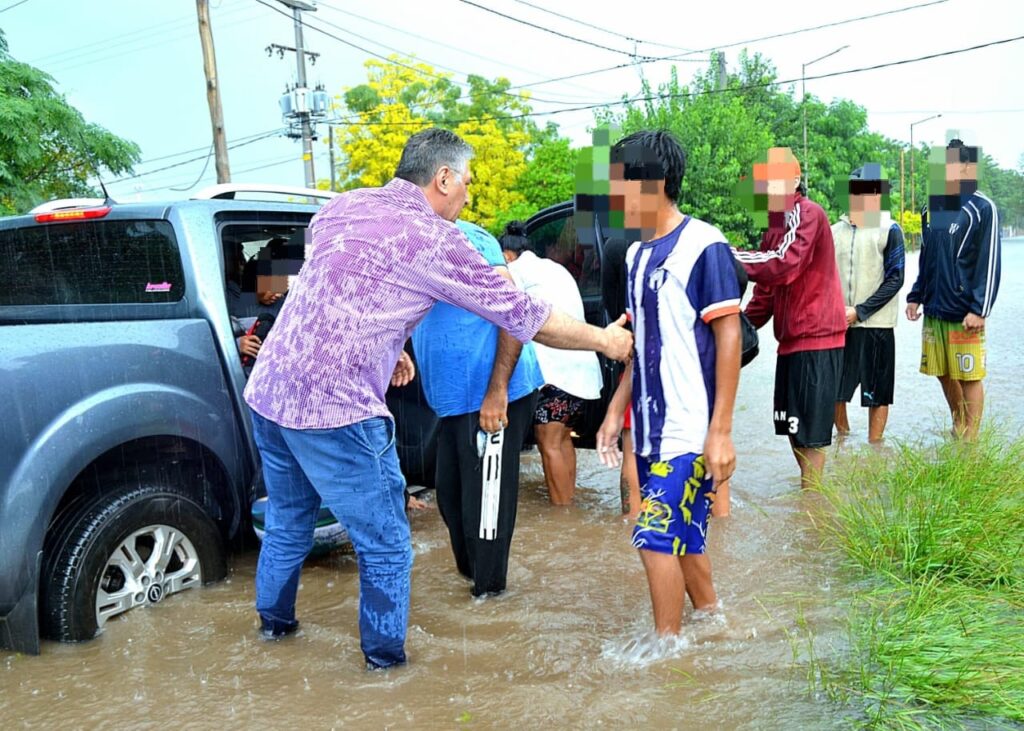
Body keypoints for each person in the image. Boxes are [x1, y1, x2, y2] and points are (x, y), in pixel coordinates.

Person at [242, 128, 632, 669]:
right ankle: (386, 673)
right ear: (443, 177)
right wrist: (606, 340)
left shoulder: (341, 208)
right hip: (336, 407)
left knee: (287, 520)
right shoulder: (433, 238)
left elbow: (343, 283)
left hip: (269, 390)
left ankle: (273, 636)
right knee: (386, 547)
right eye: (466, 182)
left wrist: (390, 345)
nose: (469, 195)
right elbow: (523, 315)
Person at [596, 130, 741, 635]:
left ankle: (666, 653)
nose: (614, 198)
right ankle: (715, 624)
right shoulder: (636, 258)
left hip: (690, 429)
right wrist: (617, 411)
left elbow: (729, 337)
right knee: (687, 538)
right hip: (650, 429)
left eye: (620, 185)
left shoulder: (705, 245)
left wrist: (720, 431)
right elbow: (641, 344)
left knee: (653, 533)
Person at [410, 219, 544, 598]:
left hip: (493, 394)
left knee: (485, 506)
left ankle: (489, 598)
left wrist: (497, 391)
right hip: (454, 402)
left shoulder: (470, 239)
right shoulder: (412, 238)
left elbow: (515, 312)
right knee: (451, 499)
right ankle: (474, 580)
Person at [733, 147, 846, 491]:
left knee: (810, 435)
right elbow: (765, 295)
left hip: (817, 339)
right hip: (790, 343)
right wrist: (733, 331)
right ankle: (810, 494)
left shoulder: (807, 213)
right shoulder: (774, 225)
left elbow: (784, 264)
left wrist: (726, 255)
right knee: (792, 427)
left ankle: (812, 501)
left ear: (794, 181)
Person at [500, 222, 603, 506]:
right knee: (561, 438)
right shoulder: (554, 268)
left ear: (507, 255)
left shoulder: (514, 272)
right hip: (583, 371)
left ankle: (562, 512)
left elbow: (508, 321)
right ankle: (570, 502)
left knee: (548, 442)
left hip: (557, 372)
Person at [906, 138, 1001, 441]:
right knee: (941, 369)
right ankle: (958, 422)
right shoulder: (933, 206)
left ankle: (971, 438)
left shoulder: (982, 207)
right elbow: (927, 255)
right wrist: (916, 295)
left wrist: (980, 308)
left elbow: (990, 260)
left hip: (964, 311)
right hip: (934, 308)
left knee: (968, 374)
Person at [831, 165, 906, 443]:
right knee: (837, 390)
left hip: (877, 325)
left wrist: (860, 311)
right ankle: (844, 440)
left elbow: (895, 278)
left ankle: (875, 451)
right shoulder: (833, 231)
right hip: (840, 325)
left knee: (878, 392)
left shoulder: (889, 229)